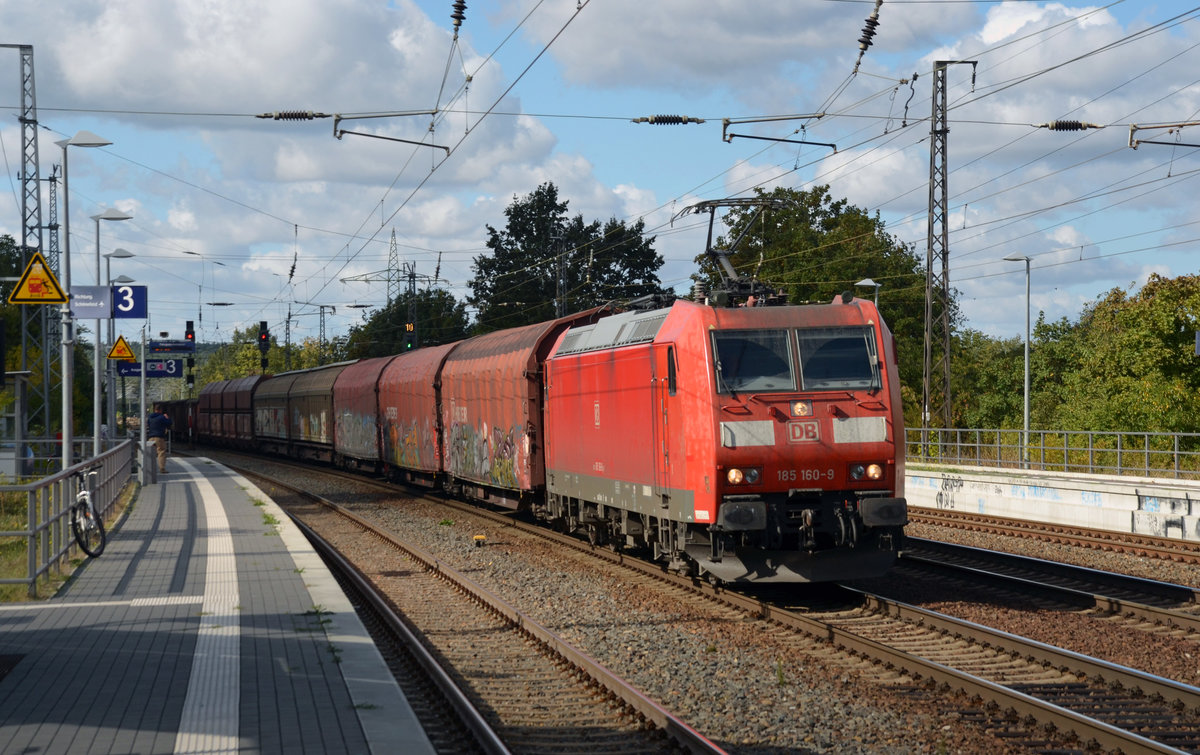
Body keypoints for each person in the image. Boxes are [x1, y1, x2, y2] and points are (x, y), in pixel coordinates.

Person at [147, 409, 173, 474]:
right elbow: (169, 423)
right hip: (159, 437)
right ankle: (162, 469)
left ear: (155, 410)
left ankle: (149, 469)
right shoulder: (162, 417)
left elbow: (148, 425)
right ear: (160, 410)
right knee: (161, 452)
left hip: (150, 438)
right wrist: (167, 417)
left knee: (150, 453)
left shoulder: (150, 417)